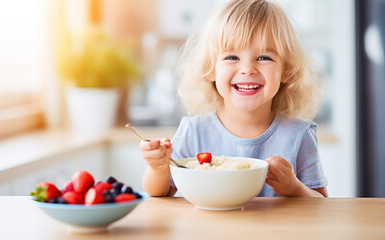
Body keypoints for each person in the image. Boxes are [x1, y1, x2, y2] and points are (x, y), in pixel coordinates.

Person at [140, 0, 328, 198]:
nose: (247, 69)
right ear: (211, 69)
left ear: (286, 71)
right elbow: (160, 193)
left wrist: (294, 188)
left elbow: (322, 204)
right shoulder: (194, 132)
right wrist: (157, 168)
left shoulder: (299, 135)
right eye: (232, 57)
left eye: (264, 57)